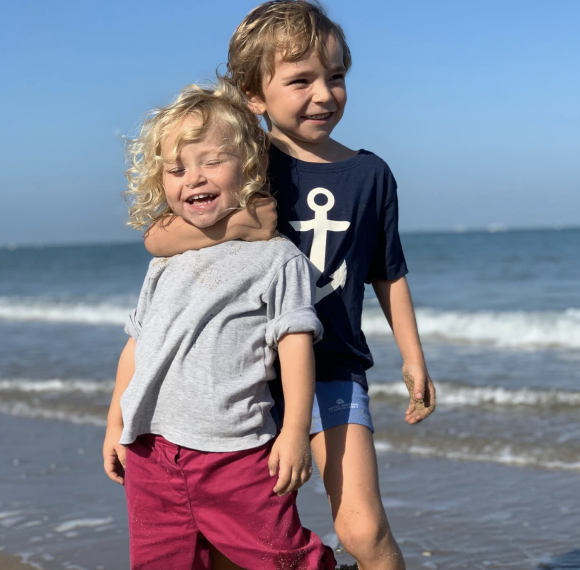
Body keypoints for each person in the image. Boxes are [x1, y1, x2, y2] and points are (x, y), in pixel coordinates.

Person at [144, 2, 437, 569]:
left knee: (362, 529)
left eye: (335, 77)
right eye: (300, 80)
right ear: (254, 96)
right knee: (240, 539)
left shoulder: (371, 174)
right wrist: (246, 221)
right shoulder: (242, 164)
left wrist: (413, 357)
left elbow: (387, 271)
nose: (323, 95)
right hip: (240, 380)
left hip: (334, 368)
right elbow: (159, 237)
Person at [102, 79, 337, 569]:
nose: (194, 178)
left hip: (235, 452)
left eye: (212, 161)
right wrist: (114, 423)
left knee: (285, 558)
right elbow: (137, 345)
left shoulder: (277, 259)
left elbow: (296, 346)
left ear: (248, 166)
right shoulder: (164, 262)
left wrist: (294, 432)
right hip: (151, 452)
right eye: (177, 169)